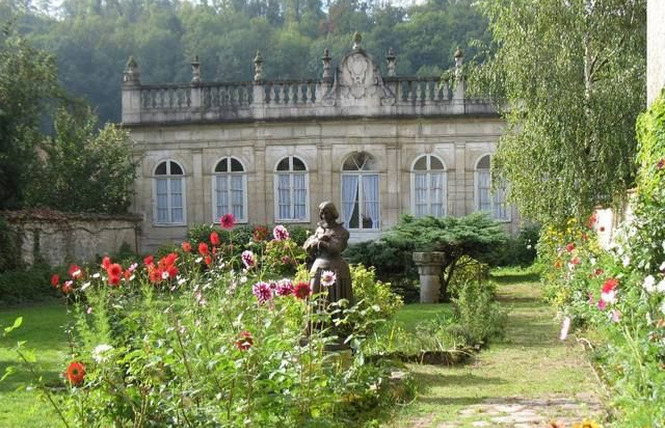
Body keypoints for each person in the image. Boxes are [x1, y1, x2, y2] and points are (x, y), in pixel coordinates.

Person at [303, 201, 354, 307]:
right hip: (318, 267)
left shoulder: (342, 231)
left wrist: (321, 243)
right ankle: (316, 323)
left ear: (333, 213)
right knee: (315, 297)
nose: (324, 216)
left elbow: (337, 249)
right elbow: (307, 247)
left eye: (326, 213)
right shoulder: (319, 230)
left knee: (335, 299)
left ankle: (338, 321)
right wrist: (315, 242)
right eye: (322, 213)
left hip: (335, 267)